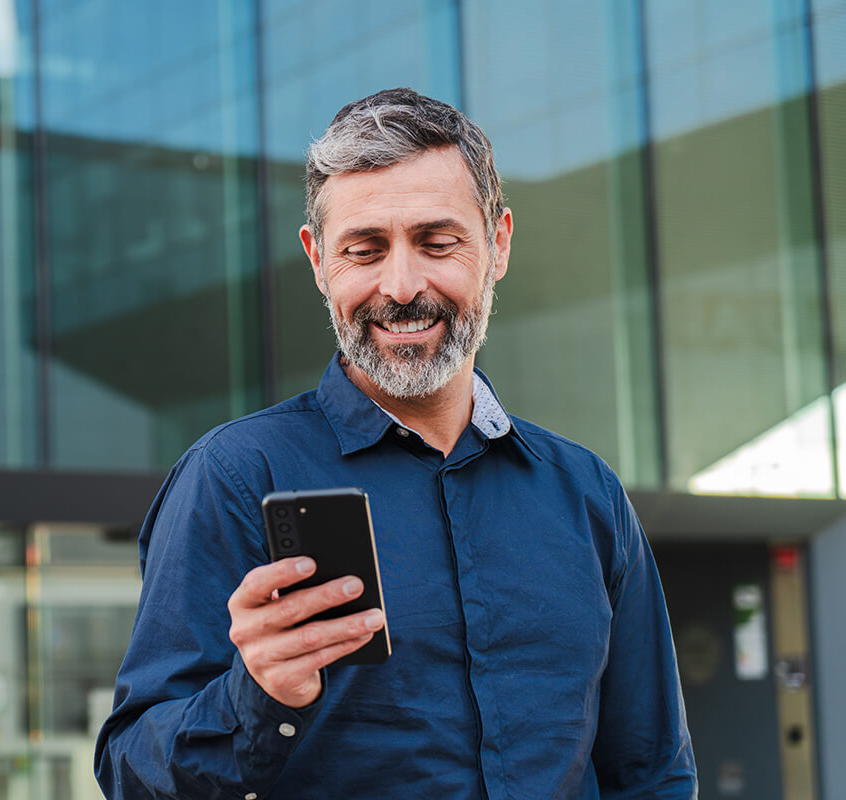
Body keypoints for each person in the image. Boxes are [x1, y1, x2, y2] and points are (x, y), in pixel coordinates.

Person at [95, 88, 696, 799]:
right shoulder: (232, 478)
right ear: (319, 261)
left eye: (437, 243)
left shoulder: (586, 493)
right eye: (365, 249)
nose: (402, 286)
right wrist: (254, 697)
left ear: (497, 245)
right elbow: (132, 771)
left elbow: (652, 771)